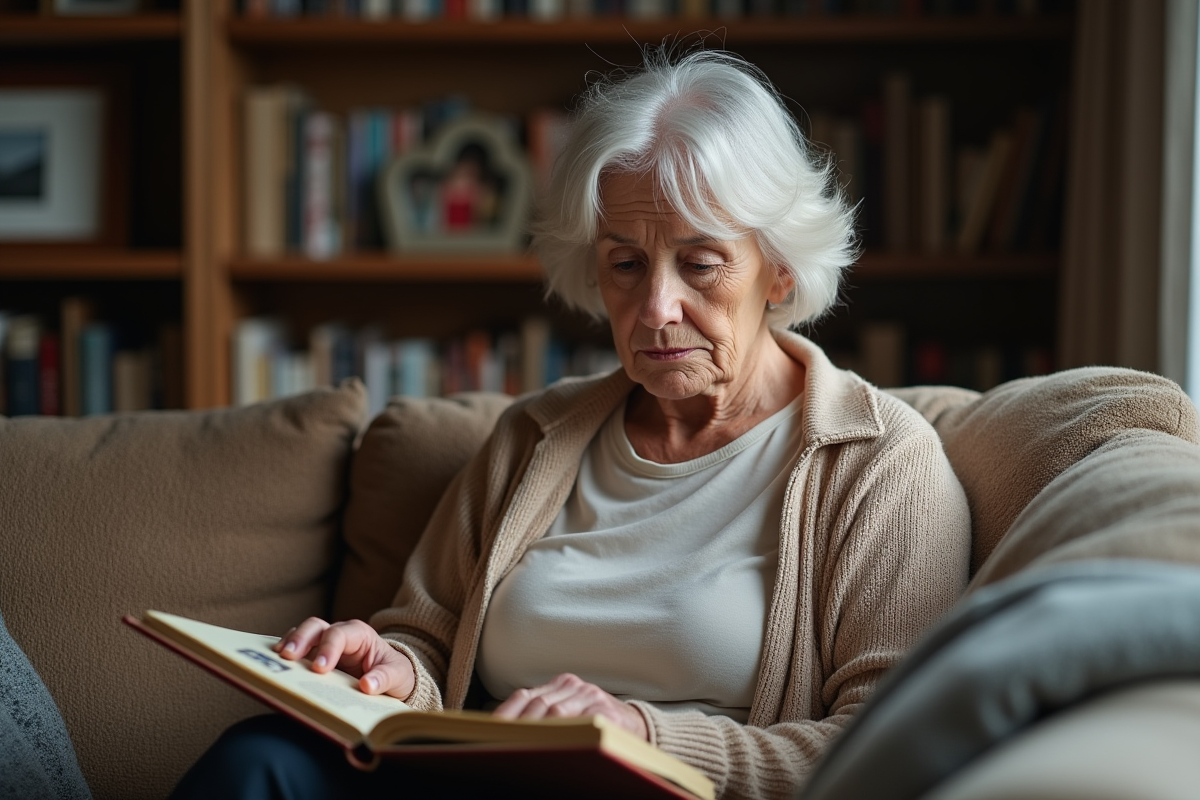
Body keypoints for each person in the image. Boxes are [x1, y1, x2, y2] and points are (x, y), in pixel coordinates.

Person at [172, 48, 970, 800]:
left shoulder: (878, 461)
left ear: (781, 268)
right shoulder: (535, 436)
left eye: (699, 263)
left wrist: (638, 735)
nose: (656, 309)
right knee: (258, 763)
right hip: (480, 784)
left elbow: (893, 741)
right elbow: (427, 642)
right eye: (625, 264)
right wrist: (385, 666)